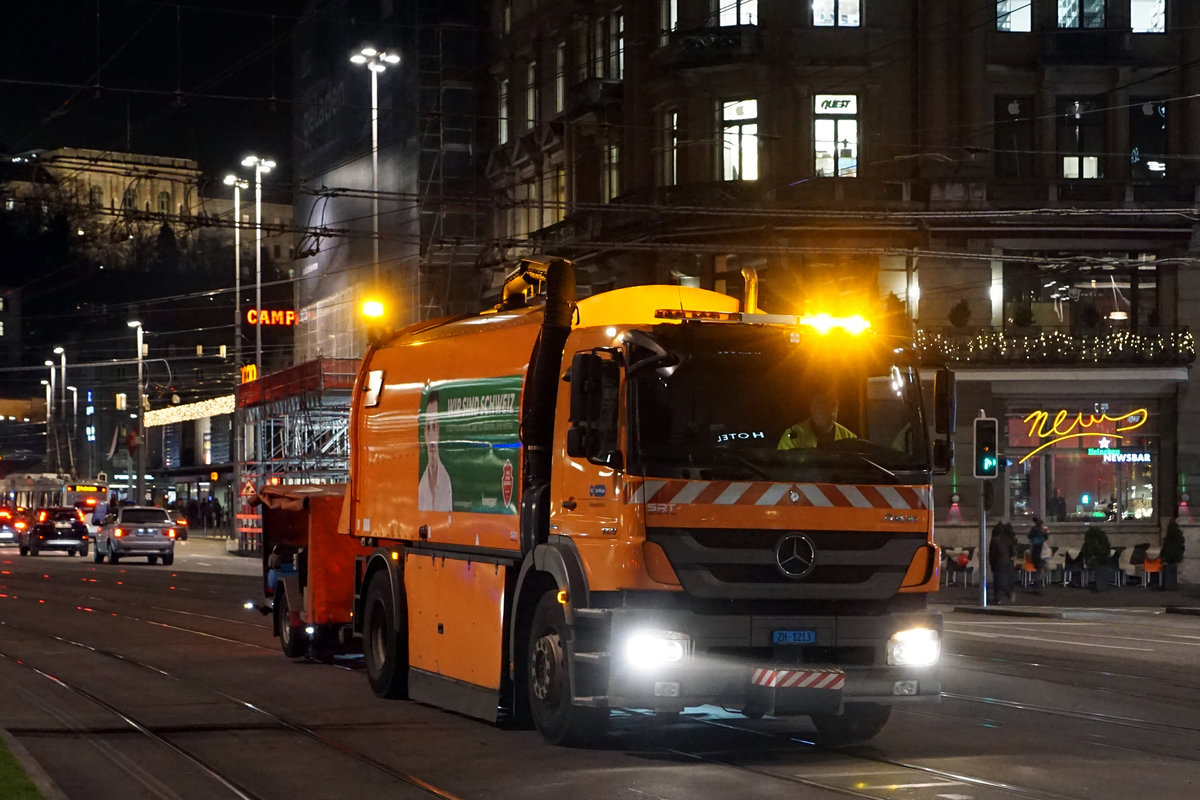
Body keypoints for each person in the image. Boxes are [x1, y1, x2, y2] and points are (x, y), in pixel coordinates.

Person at [777, 388, 856, 450]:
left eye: (833, 405)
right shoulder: (794, 436)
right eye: (822, 405)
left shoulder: (849, 437)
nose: (828, 410)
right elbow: (782, 466)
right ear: (811, 408)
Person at [417, 390, 453, 512]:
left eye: (435, 427)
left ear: (439, 431)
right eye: (428, 427)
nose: (431, 436)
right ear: (424, 434)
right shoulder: (421, 488)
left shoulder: (448, 483)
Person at [988, 522, 1018, 604]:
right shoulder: (1006, 539)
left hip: (997, 562)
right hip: (1006, 562)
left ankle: (999, 598)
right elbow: (1012, 551)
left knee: (997, 581)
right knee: (1003, 580)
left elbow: (992, 553)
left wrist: (991, 564)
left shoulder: (994, 540)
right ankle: (1004, 594)